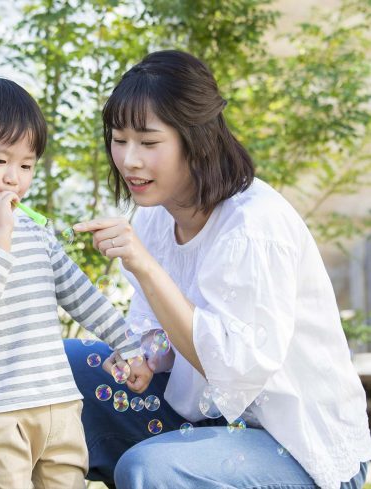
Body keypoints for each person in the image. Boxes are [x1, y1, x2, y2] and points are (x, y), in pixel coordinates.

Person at [66, 49, 371, 488]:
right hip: (206, 424)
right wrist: (144, 356)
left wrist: (144, 265)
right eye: (119, 139)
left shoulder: (253, 226)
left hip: (297, 447)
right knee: (66, 364)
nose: (129, 160)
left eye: (149, 143)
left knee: (148, 470)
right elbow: (157, 331)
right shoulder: (155, 216)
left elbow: (233, 371)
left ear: (197, 139)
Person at [0, 76, 152, 489]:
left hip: (60, 402)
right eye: (0, 161)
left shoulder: (33, 231)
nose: (15, 178)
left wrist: (127, 344)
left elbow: (78, 293)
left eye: (26, 165)